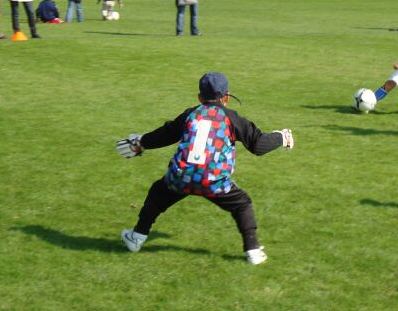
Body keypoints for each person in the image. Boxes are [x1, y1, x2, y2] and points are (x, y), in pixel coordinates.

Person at [116, 72, 294, 265]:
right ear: (226, 97)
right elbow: (258, 145)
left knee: (157, 193)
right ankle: (253, 251)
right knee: (242, 204)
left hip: (181, 176)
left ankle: (137, 237)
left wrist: (141, 143)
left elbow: (165, 134)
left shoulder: (190, 114)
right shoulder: (231, 118)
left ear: (200, 97)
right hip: (213, 181)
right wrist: (281, 137)